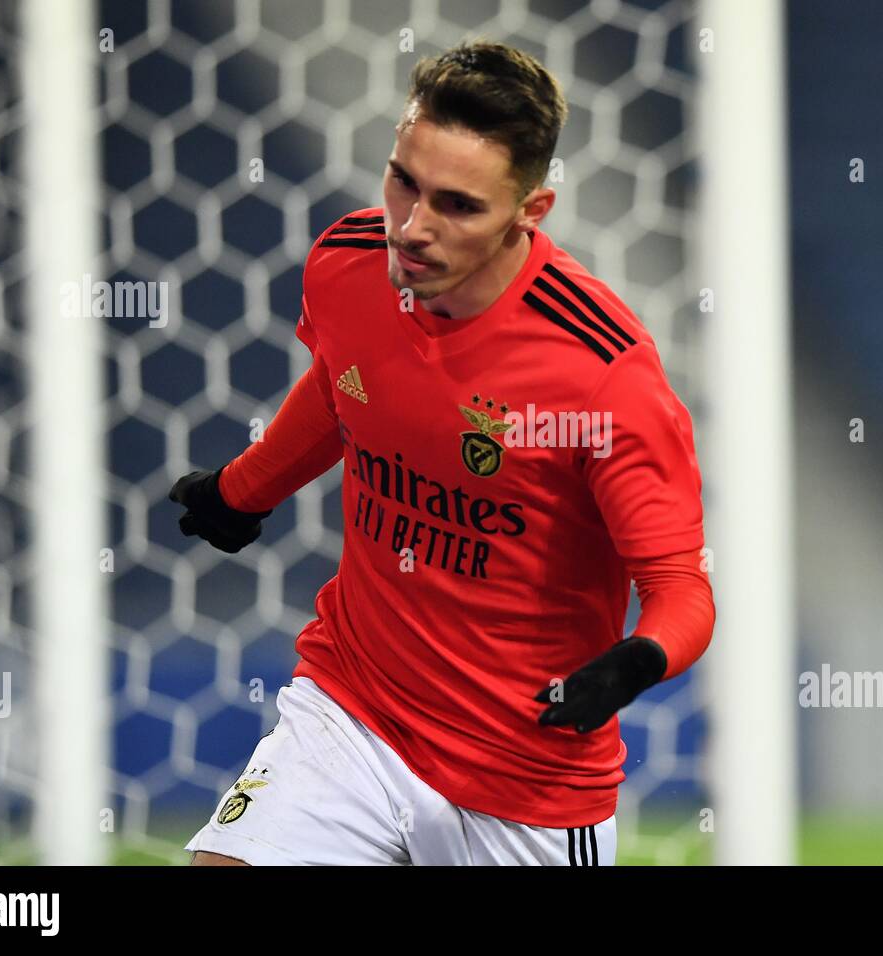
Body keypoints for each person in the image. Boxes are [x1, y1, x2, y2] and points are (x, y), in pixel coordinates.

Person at [172, 39, 713, 866]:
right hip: (355, 711)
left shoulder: (603, 378)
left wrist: (633, 663)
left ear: (531, 214)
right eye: (403, 182)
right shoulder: (349, 266)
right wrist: (244, 489)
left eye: (458, 206)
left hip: (523, 778)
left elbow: (679, 590)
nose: (413, 228)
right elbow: (344, 389)